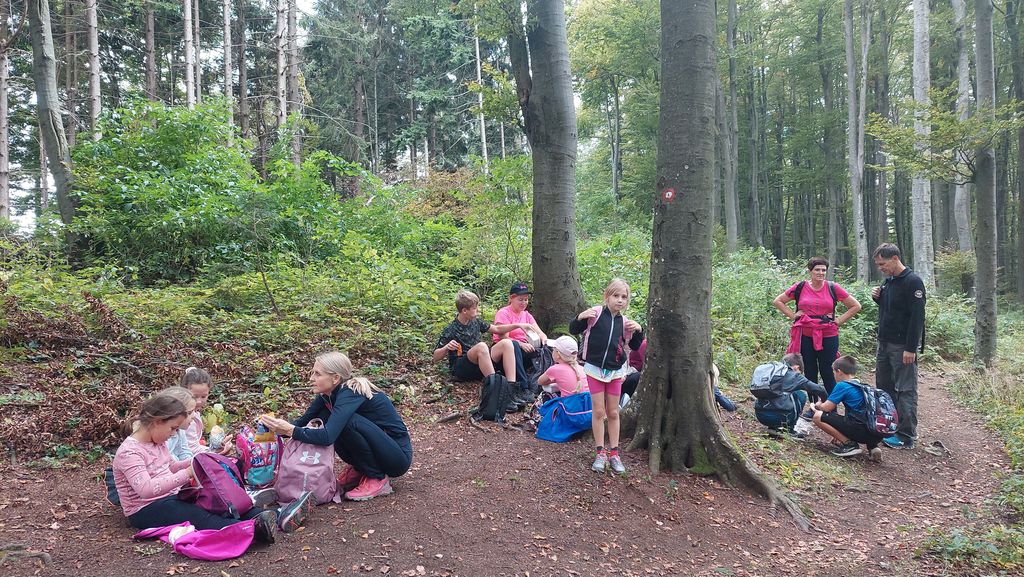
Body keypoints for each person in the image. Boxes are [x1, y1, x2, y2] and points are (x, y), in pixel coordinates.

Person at [111, 394, 283, 543]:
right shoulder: (129, 452)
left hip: (171, 496)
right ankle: (252, 531)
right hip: (145, 510)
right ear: (157, 422)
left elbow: (171, 466)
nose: (173, 434)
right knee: (196, 514)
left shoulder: (157, 442)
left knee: (213, 500)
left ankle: (272, 515)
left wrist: (198, 461)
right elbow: (146, 490)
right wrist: (187, 474)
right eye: (173, 428)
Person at [260, 352, 413, 502]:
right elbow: (302, 423)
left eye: (317, 374)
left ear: (335, 378)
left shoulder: (351, 391)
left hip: (396, 457)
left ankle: (376, 477)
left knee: (345, 421)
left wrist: (289, 430)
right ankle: (360, 468)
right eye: (312, 373)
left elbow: (327, 437)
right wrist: (271, 428)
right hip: (379, 450)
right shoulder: (326, 396)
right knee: (326, 416)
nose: (311, 378)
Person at [569, 278, 644, 475]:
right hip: (594, 369)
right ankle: (600, 452)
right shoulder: (595, 314)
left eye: (624, 297)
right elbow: (573, 329)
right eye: (616, 296)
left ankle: (615, 453)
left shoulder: (625, 323)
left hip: (616, 371)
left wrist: (639, 331)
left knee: (613, 412)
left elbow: (635, 346)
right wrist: (580, 317)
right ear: (607, 296)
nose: (619, 300)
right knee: (598, 411)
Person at [773, 257, 862, 395]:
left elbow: (856, 305)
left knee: (829, 369)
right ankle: (814, 404)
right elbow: (778, 301)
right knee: (809, 369)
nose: (821, 273)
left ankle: (831, 404)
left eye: (823, 270)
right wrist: (793, 315)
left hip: (828, 333)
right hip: (805, 334)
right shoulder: (800, 287)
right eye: (817, 270)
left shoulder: (833, 287)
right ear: (810, 272)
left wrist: (839, 320)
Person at [432, 289, 535, 401]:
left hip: (480, 364)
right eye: (474, 308)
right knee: (482, 346)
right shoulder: (451, 329)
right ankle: (496, 390)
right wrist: (446, 347)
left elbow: (497, 329)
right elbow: (435, 357)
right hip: (462, 368)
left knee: (507, 343)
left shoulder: (476, 322)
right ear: (464, 310)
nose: (477, 310)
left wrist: (518, 325)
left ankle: (511, 390)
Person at [871, 243, 925, 449]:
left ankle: (906, 435)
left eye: (882, 264)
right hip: (884, 343)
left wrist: (911, 348)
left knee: (905, 389)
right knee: (884, 387)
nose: (880, 268)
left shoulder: (913, 282)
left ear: (895, 259)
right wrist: (878, 298)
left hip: (902, 346)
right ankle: (890, 427)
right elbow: (893, 310)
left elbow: (917, 317)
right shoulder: (889, 280)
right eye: (878, 265)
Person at [810, 355, 884, 461]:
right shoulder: (863, 386)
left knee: (818, 416)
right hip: (877, 434)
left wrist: (817, 405)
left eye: (834, 372)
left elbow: (826, 408)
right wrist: (838, 431)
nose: (834, 375)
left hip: (861, 431)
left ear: (839, 372)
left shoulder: (843, 385)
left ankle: (849, 445)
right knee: (862, 417)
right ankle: (873, 447)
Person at [493, 282, 548, 400]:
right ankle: (523, 387)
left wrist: (544, 340)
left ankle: (541, 383)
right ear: (511, 299)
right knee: (514, 346)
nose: (524, 303)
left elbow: (539, 332)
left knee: (546, 350)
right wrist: (521, 344)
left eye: (526, 300)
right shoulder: (504, 313)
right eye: (520, 300)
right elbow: (503, 337)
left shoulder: (527, 315)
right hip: (505, 351)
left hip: (525, 348)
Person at [753, 353, 827, 436]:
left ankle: (773, 427)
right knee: (800, 395)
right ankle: (789, 429)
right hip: (781, 417)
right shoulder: (794, 375)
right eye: (800, 372)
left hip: (760, 415)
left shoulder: (770, 372)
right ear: (797, 367)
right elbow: (820, 390)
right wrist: (824, 403)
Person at [179, 367, 234, 456]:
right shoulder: (186, 418)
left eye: (203, 396)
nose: (199, 401)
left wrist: (218, 448)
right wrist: (218, 452)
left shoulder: (194, 412)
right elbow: (192, 451)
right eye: (194, 397)